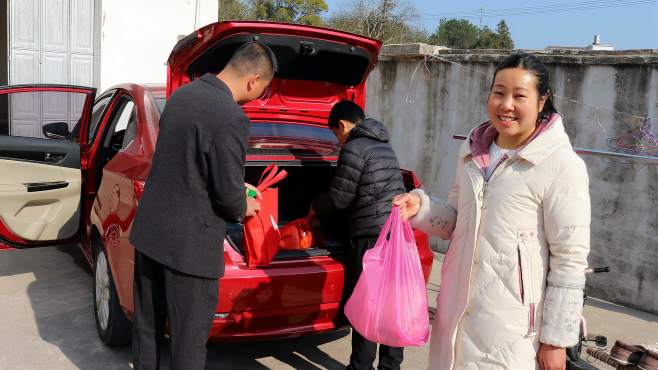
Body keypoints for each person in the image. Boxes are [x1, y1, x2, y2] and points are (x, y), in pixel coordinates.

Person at [394, 53, 591, 370]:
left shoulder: (561, 164)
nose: (506, 104)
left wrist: (555, 339)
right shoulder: (473, 150)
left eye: (519, 96)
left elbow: (570, 258)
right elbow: (457, 220)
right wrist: (423, 208)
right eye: (499, 92)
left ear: (543, 101)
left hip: (511, 330)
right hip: (456, 317)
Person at [128, 42, 277, 370]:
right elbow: (226, 196)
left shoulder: (182, 96)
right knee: (188, 344)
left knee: (147, 330)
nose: (260, 96)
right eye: (263, 89)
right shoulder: (231, 116)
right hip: (190, 250)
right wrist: (243, 205)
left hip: (151, 234)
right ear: (253, 80)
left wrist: (237, 188)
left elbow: (187, 163)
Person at [311, 100, 407, 370]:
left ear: (341, 125)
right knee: (391, 304)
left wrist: (313, 206)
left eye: (334, 133)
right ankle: (391, 366)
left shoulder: (354, 147)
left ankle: (360, 367)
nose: (338, 140)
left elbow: (339, 200)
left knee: (367, 303)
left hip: (369, 238)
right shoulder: (384, 145)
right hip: (394, 232)